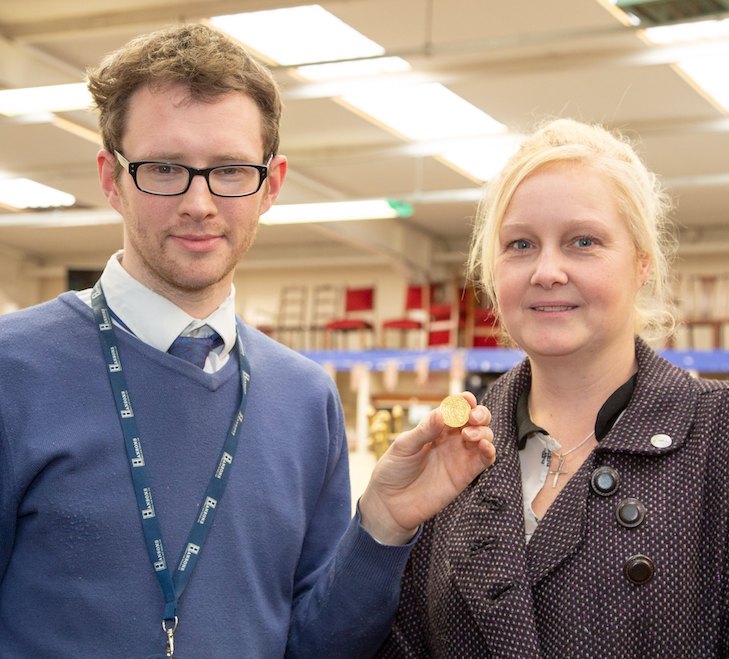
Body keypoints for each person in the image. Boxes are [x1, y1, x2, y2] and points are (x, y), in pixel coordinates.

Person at [0, 24, 496, 658]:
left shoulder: (304, 398)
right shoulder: (15, 371)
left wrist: (382, 525)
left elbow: (315, 643)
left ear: (271, 183)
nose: (200, 202)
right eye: (164, 169)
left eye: (231, 170)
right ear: (110, 177)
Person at [378, 118, 729, 657]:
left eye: (583, 241)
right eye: (521, 244)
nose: (547, 271)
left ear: (641, 262)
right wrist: (381, 525)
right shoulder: (456, 441)